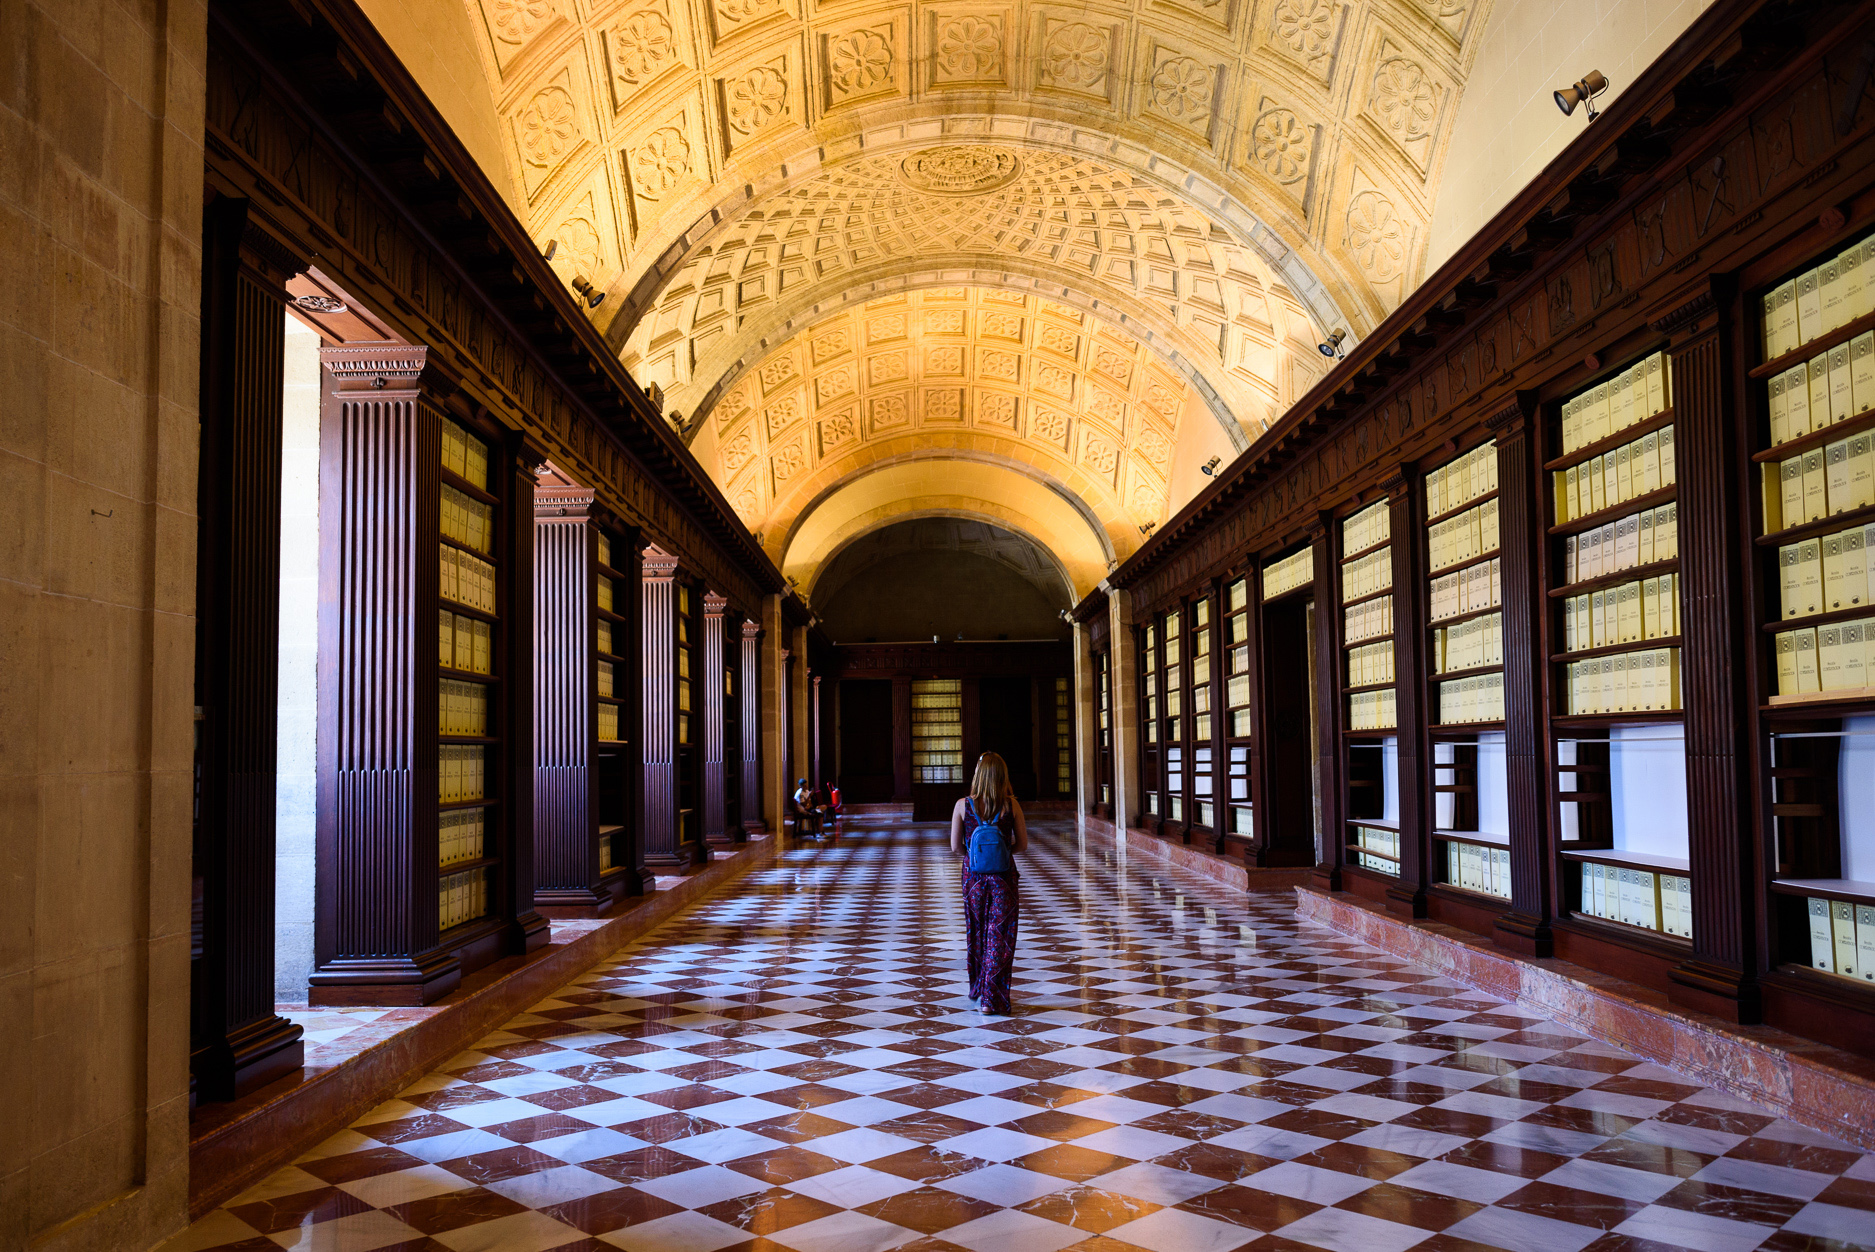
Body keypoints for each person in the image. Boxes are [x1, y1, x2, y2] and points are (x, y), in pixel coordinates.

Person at [950, 751, 1028, 1014]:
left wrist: (976, 858)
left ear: (978, 775)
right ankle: (991, 999)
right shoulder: (1011, 806)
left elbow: (955, 847)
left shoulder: (962, 805)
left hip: (973, 878)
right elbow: (1023, 845)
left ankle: (978, 989)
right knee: (1000, 935)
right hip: (1004, 878)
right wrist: (1001, 853)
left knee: (977, 931)